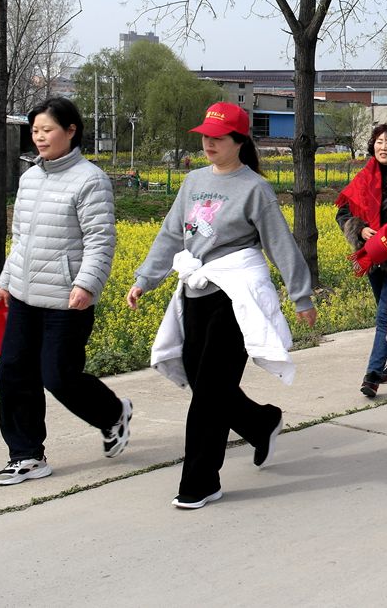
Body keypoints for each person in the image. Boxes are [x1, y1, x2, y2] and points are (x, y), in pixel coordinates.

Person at [128, 102, 315, 510]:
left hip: (236, 296)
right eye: (205, 137)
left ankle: (200, 481)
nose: (209, 144)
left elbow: (279, 243)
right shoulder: (194, 181)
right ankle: (261, 423)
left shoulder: (255, 189)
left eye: (218, 138)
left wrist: (301, 295)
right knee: (203, 382)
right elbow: (171, 235)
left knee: (210, 393)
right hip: (196, 291)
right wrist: (145, 279)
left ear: (239, 141)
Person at [0, 97, 131, 486]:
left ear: (71, 131)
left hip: (66, 299)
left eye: (47, 130)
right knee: (13, 372)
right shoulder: (30, 178)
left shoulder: (90, 180)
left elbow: (100, 239)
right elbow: (21, 237)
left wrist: (86, 284)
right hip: (24, 296)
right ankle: (26, 456)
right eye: (35, 130)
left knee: (58, 376)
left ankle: (113, 414)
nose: (39, 137)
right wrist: (7, 279)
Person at [336, 123, 387, 398]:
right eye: (379, 142)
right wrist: (359, 230)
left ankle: (372, 375)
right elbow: (343, 213)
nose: (383, 147)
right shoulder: (363, 178)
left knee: (384, 317)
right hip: (372, 257)